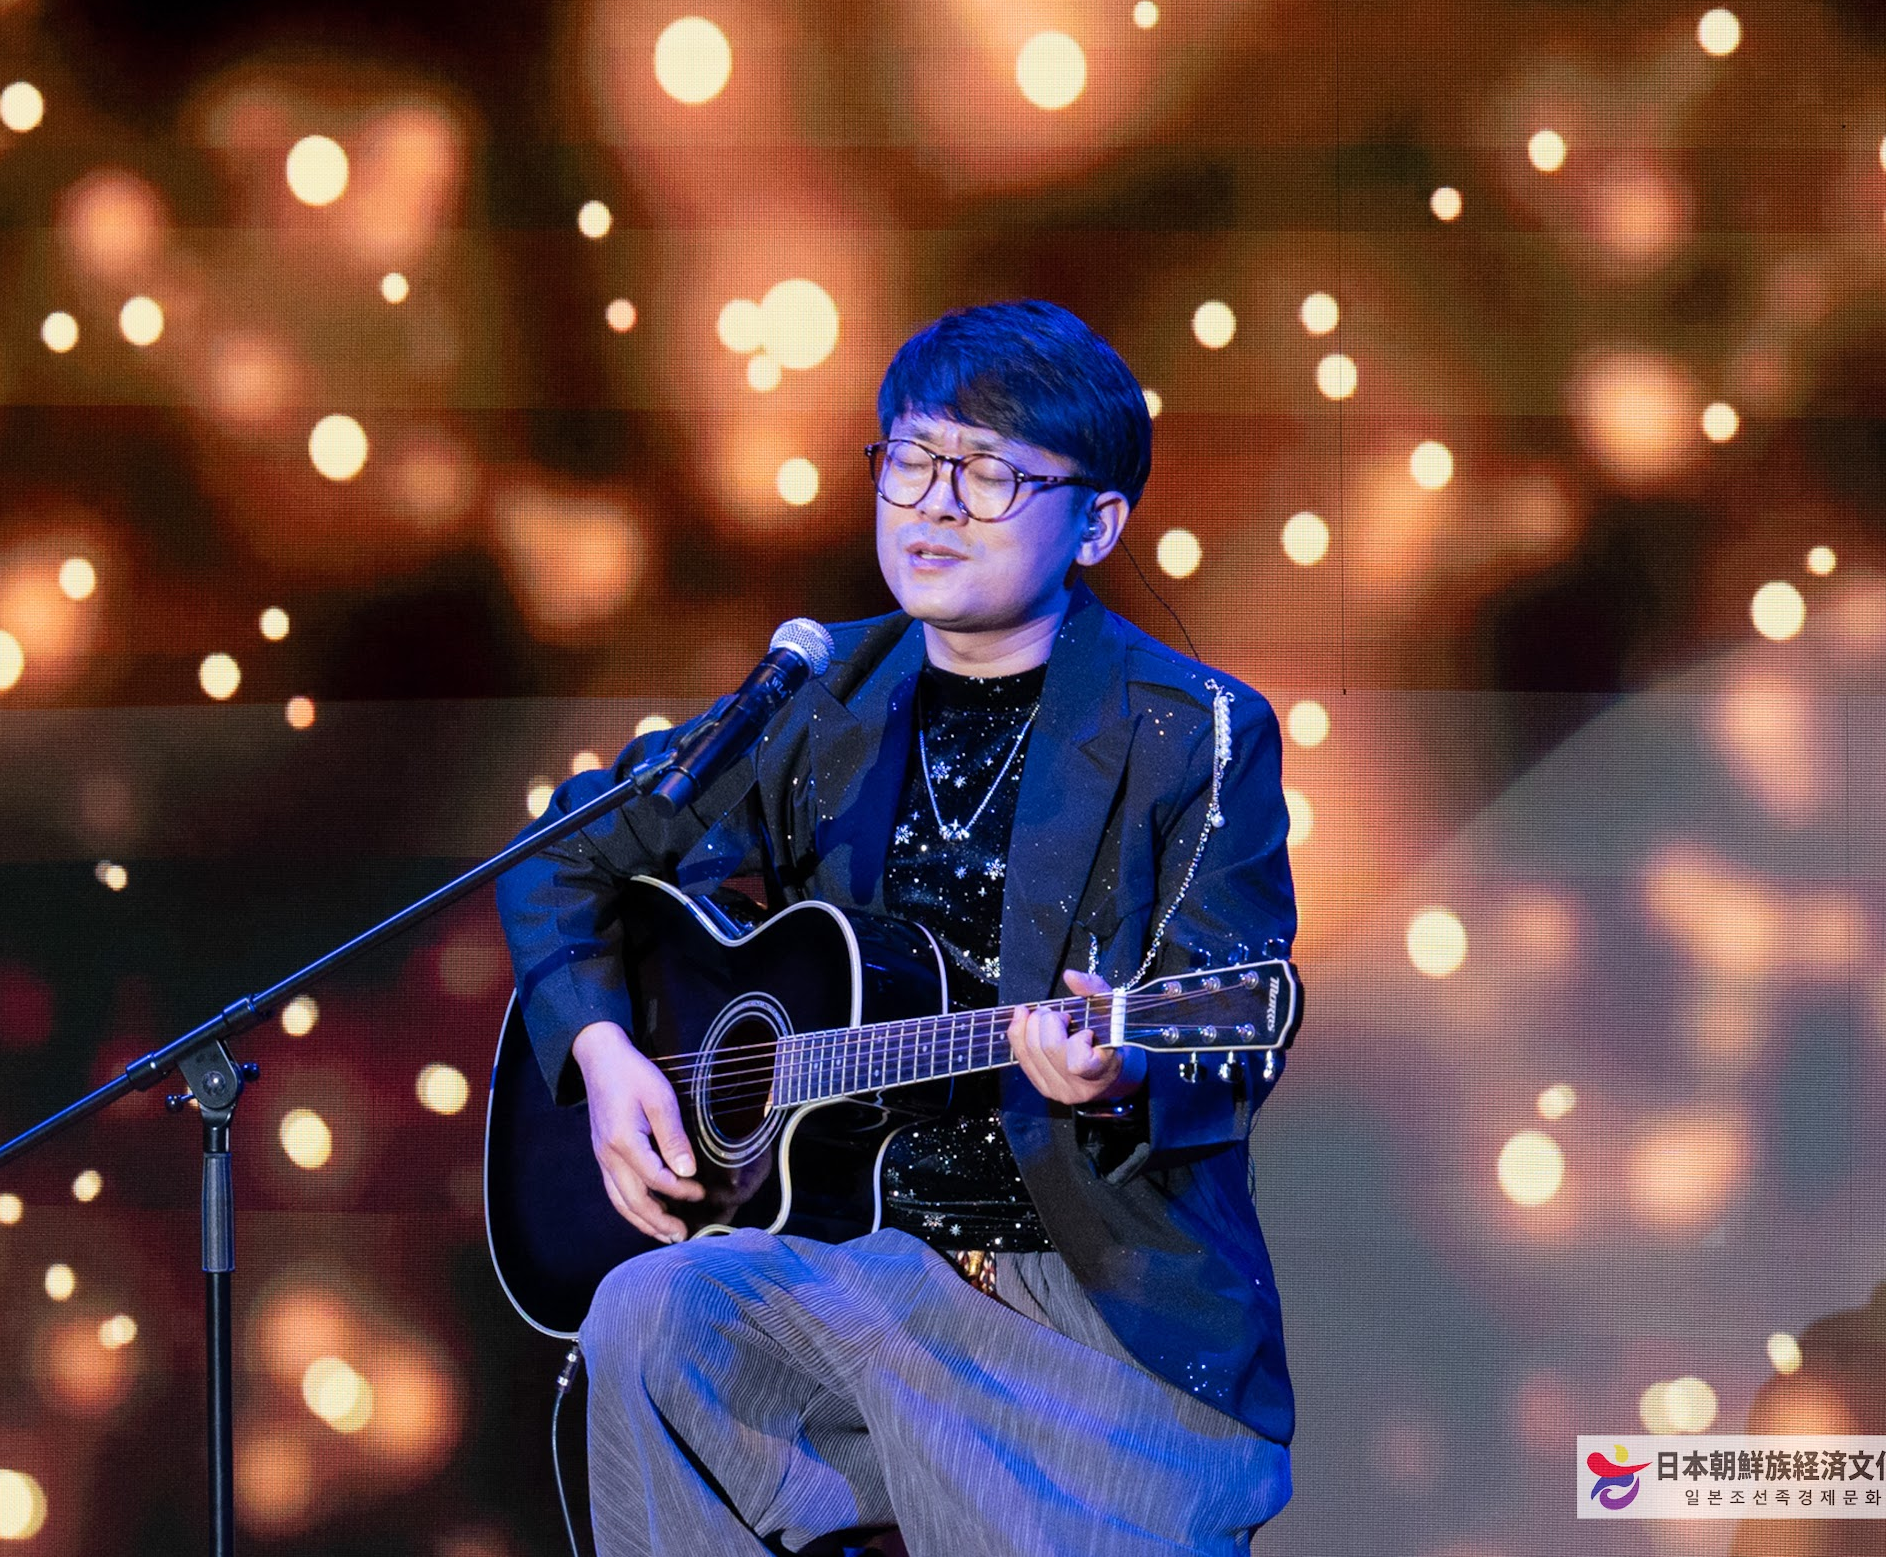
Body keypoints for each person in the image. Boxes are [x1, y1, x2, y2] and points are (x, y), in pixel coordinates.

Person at [496, 300, 1302, 1556]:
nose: (932, 506)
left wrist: (1123, 1068)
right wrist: (602, 1053)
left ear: (1096, 524)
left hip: (1078, 1305)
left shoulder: (1189, 728)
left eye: (986, 475)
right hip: (853, 1267)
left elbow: (1230, 1007)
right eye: (910, 461)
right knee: (651, 1312)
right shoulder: (818, 693)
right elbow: (562, 852)